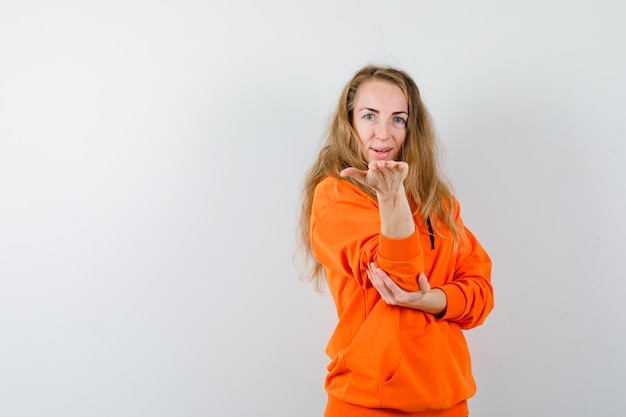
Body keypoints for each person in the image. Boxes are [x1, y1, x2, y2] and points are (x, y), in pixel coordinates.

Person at [297, 64, 494, 417]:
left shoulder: (438, 200)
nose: (383, 134)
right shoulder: (335, 195)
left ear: (411, 128)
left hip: (447, 399)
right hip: (368, 403)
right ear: (349, 123)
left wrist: (432, 299)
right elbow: (395, 277)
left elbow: (480, 295)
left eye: (398, 119)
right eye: (370, 116)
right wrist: (390, 198)